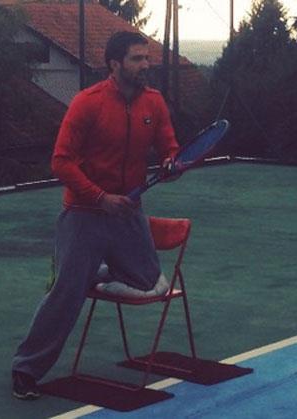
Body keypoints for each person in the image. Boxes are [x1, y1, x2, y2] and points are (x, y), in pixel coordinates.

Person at [11, 31, 181, 400]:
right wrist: (101, 198)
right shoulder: (87, 103)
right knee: (66, 294)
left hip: (128, 213)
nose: (145, 65)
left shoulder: (154, 103)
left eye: (146, 58)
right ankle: (25, 370)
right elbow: (61, 162)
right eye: (137, 59)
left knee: (148, 280)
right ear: (114, 64)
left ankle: (93, 270)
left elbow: (169, 147)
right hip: (84, 214)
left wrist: (172, 162)